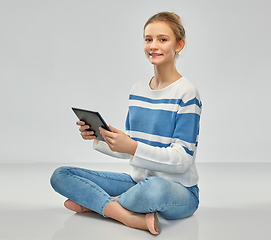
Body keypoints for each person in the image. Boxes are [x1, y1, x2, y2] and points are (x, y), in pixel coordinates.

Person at [50, 11, 202, 235]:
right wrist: (100, 137)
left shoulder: (187, 93)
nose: (153, 45)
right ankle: (127, 216)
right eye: (148, 39)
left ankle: (98, 204)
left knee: (154, 190)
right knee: (61, 175)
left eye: (162, 39)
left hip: (177, 191)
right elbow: (130, 148)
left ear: (179, 45)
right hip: (136, 182)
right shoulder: (138, 90)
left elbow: (182, 160)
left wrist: (132, 147)